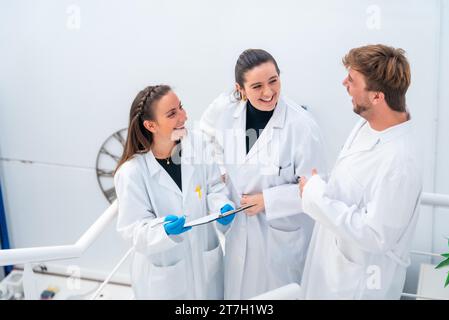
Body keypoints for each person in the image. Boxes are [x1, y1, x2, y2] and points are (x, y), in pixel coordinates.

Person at [200, 49, 327, 299]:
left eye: (273, 81)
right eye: (257, 86)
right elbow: (205, 138)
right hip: (239, 231)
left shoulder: (302, 127)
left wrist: (268, 200)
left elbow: (317, 188)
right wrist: (222, 171)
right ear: (241, 89)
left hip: (280, 239)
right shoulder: (228, 115)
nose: (268, 92)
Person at [299, 44, 423, 299]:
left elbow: (376, 235)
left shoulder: (400, 162)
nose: (344, 82)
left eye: (352, 79)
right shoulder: (367, 124)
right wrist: (319, 187)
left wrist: (314, 193)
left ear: (377, 96)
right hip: (331, 267)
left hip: (358, 285)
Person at [114, 85, 235, 299]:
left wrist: (221, 207)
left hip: (205, 263)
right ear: (151, 125)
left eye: (181, 107)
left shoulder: (198, 144)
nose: (184, 116)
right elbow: (133, 230)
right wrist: (163, 231)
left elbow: (215, 186)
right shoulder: (131, 173)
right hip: (164, 277)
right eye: (172, 114)